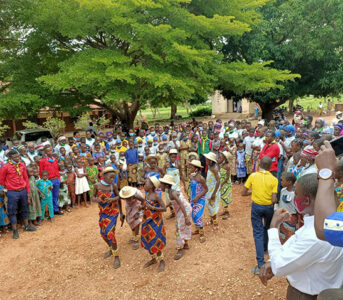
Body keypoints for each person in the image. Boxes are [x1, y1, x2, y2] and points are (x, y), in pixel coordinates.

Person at [259, 174, 343, 299]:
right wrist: (272, 261)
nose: (294, 197)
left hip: (305, 295)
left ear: (306, 200)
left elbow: (279, 266)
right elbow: (297, 242)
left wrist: (273, 227)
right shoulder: (333, 225)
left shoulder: (314, 236)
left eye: (296, 193)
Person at [242, 156, 278, 274]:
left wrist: (254, 192)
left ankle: (260, 263)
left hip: (256, 207)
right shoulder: (274, 179)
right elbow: (273, 199)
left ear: (259, 164)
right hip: (268, 207)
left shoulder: (253, 176)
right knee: (267, 228)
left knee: (258, 233)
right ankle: (266, 249)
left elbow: (243, 192)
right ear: (270, 167)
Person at [0, 150, 36, 239]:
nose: (18, 158)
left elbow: (26, 179)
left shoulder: (22, 165)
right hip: (12, 192)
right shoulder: (5, 167)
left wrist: (28, 192)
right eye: (15, 157)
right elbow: (1, 180)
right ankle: (15, 230)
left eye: (18, 156)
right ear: (10, 158)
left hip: (23, 190)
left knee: (25, 208)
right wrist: (8, 187)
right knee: (12, 211)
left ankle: (26, 226)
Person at [92, 167, 123, 269]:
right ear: (104, 176)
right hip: (103, 213)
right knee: (103, 233)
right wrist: (96, 199)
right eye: (110, 177)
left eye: (113, 178)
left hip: (113, 212)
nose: (112, 180)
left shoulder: (113, 186)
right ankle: (111, 248)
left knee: (110, 233)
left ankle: (116, 256)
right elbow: (92, 197)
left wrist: (113, 199)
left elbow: (119, 197)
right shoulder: (97, 185)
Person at [159, 175, 192, 260]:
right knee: (181, 226)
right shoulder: (170, 192)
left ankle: (180, 248)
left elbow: (181, 204)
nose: (160, 185)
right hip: (181, 210)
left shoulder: (172, 193)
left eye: (161, 184)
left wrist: (186, 217)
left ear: (166, 185)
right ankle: (185, 243)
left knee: (179, 228)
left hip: (184, 210)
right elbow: (173, 202)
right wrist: (166, 206)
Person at [139, 176, 167, 272]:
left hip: (155, 222)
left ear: (151, 187)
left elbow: (164, 208)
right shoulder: (147, 195)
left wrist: (152, 207)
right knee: (147, 238)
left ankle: (161, 260)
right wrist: (142, 207)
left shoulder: (156, 196)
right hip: (146, 220)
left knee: (155, 239)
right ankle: (153, 258)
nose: (144, 185)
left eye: (146, 184)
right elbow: (146, 206)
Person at [39, 146, 63, 215]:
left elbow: (57, 170)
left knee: (55, 196)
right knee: (49, 196)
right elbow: (41, 171)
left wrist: (58, 179)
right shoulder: (42, 161)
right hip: (48, 181)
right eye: (48, 151)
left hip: (56, 180)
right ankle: (50, 211)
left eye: (50, 150)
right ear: (45, 152)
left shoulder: (55, 159)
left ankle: (56, 209)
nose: (49, 152)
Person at [189, 159, 208, 243]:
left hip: (200, 199)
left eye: (191, 167)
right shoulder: (192, 176)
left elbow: (206, 189)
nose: (189, 168)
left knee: (198, 216)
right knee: (193, 215)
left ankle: (202, 234)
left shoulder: (201, 178)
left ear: (196, 169)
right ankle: (197, 229)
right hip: (193, 198)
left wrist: (198, 197)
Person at [119, 186, 143, 250]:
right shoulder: (122, 195)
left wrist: (138, 212)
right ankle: (134, 235)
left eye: (128, 198)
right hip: (129, 205)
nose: (127, 199)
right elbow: (118, 200)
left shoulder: (136, 195)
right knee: (129, 220)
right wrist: (121, 213)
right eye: (126, 198)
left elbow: (143, 201)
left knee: (136, 220)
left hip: (137, 203)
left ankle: (136, 240)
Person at [278, 172, 299, 244]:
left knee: (290, 236)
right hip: (283, 217)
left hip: (291, 218)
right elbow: (281, 202)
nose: (281, 182)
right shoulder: (283, 190)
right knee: (282, 234)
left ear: (289, 182)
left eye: (282, 180)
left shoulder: (295, 194)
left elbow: (297, 208)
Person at [204, 152, 221, 230]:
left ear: (210, 160)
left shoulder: (214, 168)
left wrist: (214, 193)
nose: (205, 159)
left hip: (213, 189)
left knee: (211, 204)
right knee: (209, 203)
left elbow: (218, 181)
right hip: (209, 188)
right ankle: (212, 220)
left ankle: (215, 222)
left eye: (207, 158)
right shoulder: (210, 166)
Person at [218, 151, 232, 220]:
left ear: (225, 159)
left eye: (220, 157)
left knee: (225, 197)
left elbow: (227, 177)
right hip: (222, 183)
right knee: (222, 197)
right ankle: (225, 211)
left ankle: (227, 213)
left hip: (226, 184)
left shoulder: (227, 166)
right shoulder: (221, 165)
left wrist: (222, 183)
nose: (219, 158)